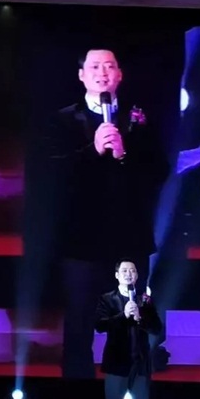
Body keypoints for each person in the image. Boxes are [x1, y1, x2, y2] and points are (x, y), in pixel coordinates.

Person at [22, 48, 170, 379]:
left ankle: (126, 387)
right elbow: (51, 175)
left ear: (119, 75)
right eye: (95, 67)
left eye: (109, 66)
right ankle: (77, 387)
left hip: (129, 237)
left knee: (130, 316)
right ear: (82, 75)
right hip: (81, 239)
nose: (102, 72)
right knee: (79, 317)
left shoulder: (138, 119)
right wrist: (94, 150)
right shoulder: (62, 120)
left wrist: (123, 154)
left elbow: (159, 172)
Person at [95, 259, 163, 399]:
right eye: (124, 270)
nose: (128, 274)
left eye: (132, 270)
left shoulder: (144, 300)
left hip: (140, 366)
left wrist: (140, 318)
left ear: (137, 275)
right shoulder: (107, 299)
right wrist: (123, 316)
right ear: (117, 275)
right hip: (116, 365)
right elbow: (100, 325)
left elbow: (157, 329)